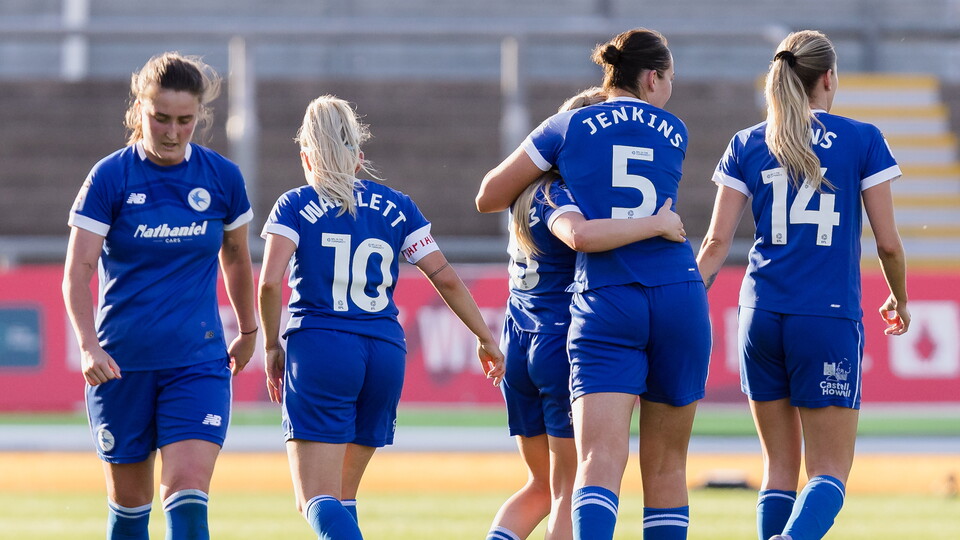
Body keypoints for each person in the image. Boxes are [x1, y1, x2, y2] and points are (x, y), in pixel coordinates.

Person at [477, 29, 712, 540]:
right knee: (669, 466)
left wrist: (548, 167)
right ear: (653, 78)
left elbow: (489, 195)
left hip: (606, 297)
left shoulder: (566, 126)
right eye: (669, 78)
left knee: (598, 461)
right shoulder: (675, 129)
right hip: (678, 290)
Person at [258, 94, 505, 539]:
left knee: (314, 498)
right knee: (343, 497)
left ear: (306, 156)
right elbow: (445, 277)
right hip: (384, 354)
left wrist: (272, 345)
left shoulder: (294, 204)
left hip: (322, 348)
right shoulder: (397, 206)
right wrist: (485, 336)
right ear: (358, 157)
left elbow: (269, 282)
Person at [695, 30, 910, 540]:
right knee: (830, 470)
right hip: (826, 316)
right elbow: (889, 245)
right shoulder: (862, 138)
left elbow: (715, 243)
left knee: (778, 469)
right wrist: (899, 297)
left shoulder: (748, 142)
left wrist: (681, 302)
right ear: (829, 77)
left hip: (760, 314)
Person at [63, 52, 257, 540]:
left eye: (185, 121)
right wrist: (88, 345)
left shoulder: (222, 178)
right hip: (121, 365)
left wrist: (250, 329)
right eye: (161, 118)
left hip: (197, 360)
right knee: (130, 512)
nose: (172, 132)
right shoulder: (110, 177)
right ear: (139, 111)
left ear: (199, 117)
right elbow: (77, 273)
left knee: (187, 493)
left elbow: (236, 258)